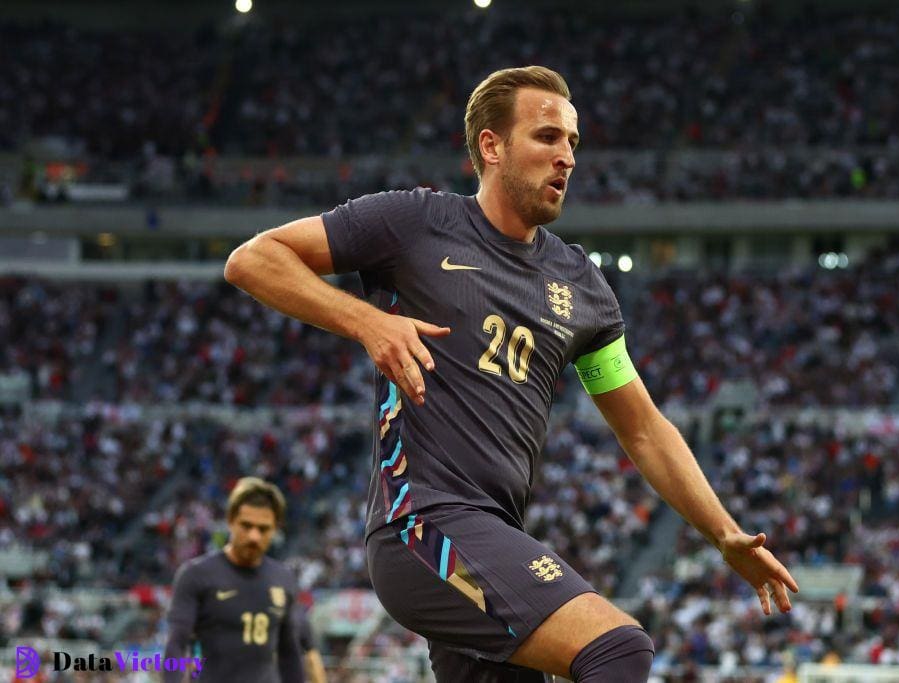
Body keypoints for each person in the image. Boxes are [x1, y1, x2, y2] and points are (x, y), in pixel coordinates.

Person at [224, 65, 799, 682]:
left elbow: (643, 429)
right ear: (491, 146)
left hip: (492, 532)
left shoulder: (582, 285)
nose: (567, 157)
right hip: (424, 527)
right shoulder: (415, 223)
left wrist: (723, 532)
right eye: (548, 137)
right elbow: (253, 259)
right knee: (617, 647)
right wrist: (367, 321)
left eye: (573, 142)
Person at [162, 477, 305, 682]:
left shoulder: (284, 579)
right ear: (230, 521)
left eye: (263, 529)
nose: (254, 536)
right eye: (246, 526)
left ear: (275, 528)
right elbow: (177, 644)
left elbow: (290, 653)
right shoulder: (195, 575)